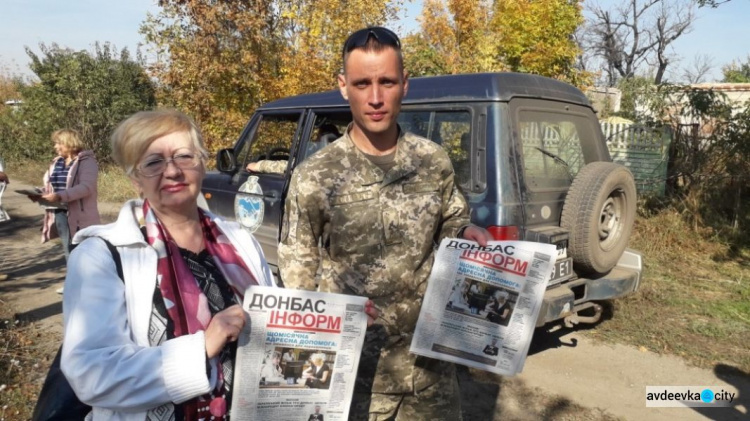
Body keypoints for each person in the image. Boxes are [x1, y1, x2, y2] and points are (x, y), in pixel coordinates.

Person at [279, 26, 492, 420]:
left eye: (386, 82)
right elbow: (298, 280)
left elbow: (451, 219)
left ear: (404, 85)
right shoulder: (316, 176)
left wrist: (465, 233)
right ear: (344, 87)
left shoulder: (432, 160)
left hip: (430, 374)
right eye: (362, 83)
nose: (375, 98)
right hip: (356, 380)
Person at [60, 109, 276, 420]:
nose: (172, 171)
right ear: (135, 179)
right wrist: (202, 347)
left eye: (184, 157)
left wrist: (337, 323)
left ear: (202, 164)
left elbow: (275, 322)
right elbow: (91, 374)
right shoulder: (102, 255)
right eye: (153, 162)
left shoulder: (239, 239)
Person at [245, 124, 341, 174]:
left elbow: (293, 167)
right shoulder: (345, 156)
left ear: (324, 139)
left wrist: (259, 165)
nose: (315, 141)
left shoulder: (320, 159)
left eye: (317, 137)